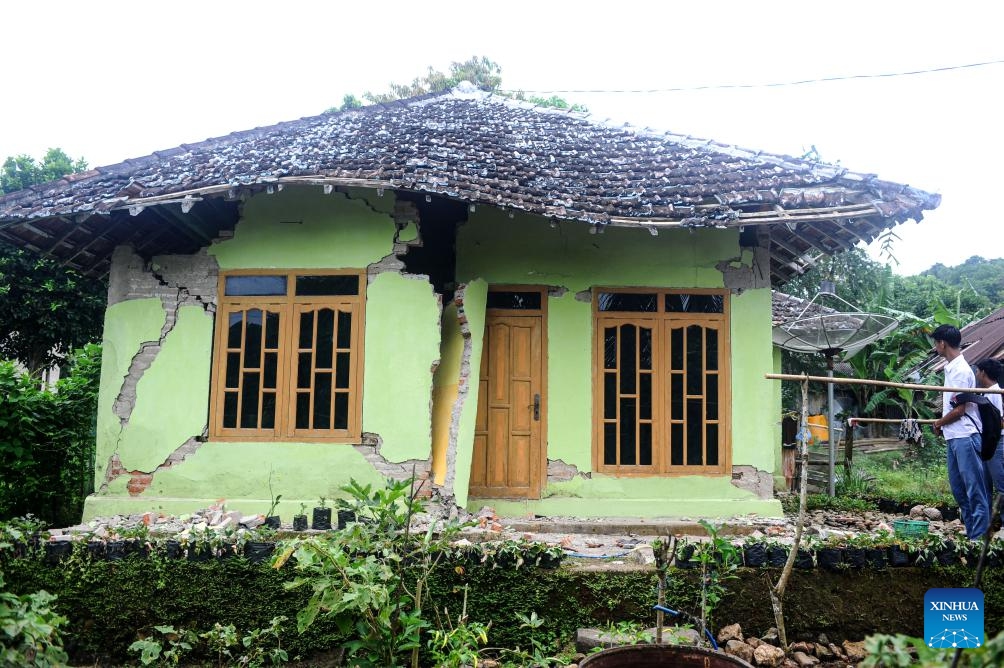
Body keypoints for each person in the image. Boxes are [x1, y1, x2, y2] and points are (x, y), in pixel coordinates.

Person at [931, 324, 989, 539]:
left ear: (942, 343)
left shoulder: (961, 370)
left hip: (965, 435)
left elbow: (960, 410)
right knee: (959, 490)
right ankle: (973, 534)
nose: (936, 347)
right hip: (954, 437)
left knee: (974, 489)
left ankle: (980, 538)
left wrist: (938, 423)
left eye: (936, 343)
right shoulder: (952, 367)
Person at [976, 358, 1004, 524]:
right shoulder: (988, 392)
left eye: (978, 371)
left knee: (1000, 484)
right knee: (987, 483)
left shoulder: (994, 392)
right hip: (989, 442)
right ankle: (989, 521)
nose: (977, 374)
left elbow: (998, 421)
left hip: (995, 442)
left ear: (983, 373)